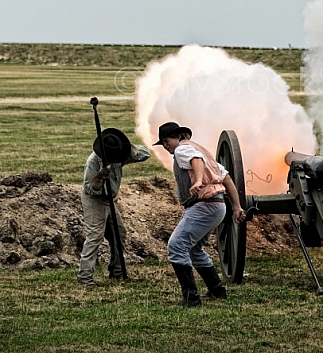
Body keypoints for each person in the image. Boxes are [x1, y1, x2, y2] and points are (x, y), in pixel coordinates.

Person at [154, 121, 246, 307]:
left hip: (205, 205)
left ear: (178, 137)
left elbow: (196, 161)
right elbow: (226, 178)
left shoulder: (182, 150)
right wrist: (236, 207)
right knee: (194, 249)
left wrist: (197, 181)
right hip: (217, 206)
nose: (165, 145)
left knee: (176, 246)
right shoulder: (201, 151)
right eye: (162, 142)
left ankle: (191, 298)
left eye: (166, 141)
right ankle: (217, 290)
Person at [78, 128, 150, 286]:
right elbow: (89, 189)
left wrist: (127, 148)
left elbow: (145, 154)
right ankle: (85, 278)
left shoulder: (119, 155)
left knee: (119, 233)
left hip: (110, 199)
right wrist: (99, 177)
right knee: (95, 237)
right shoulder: (93, 162)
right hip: (94, 200)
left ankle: (117, 272)